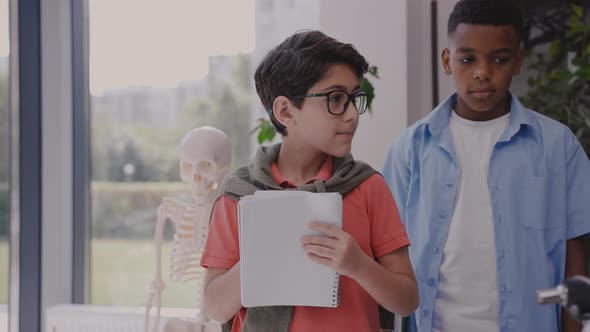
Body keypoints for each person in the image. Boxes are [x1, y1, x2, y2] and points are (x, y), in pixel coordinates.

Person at [382, 1, 590, 331]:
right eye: (468, 59)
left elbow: (573, 251)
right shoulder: (409, 149)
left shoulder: (557, 145)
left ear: (518, 60)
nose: (483, 71)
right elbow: (388, 252)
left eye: (500, 59)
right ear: (448, 61)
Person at [199, 30, 419, 332]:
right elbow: (214, 307)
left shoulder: (368, 187)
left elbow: (406, 300)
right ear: (286, 111)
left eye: (355, 98)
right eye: (336, 99)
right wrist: (260, 253)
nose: (353, 114)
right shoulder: (239, 195)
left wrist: (358, 265)